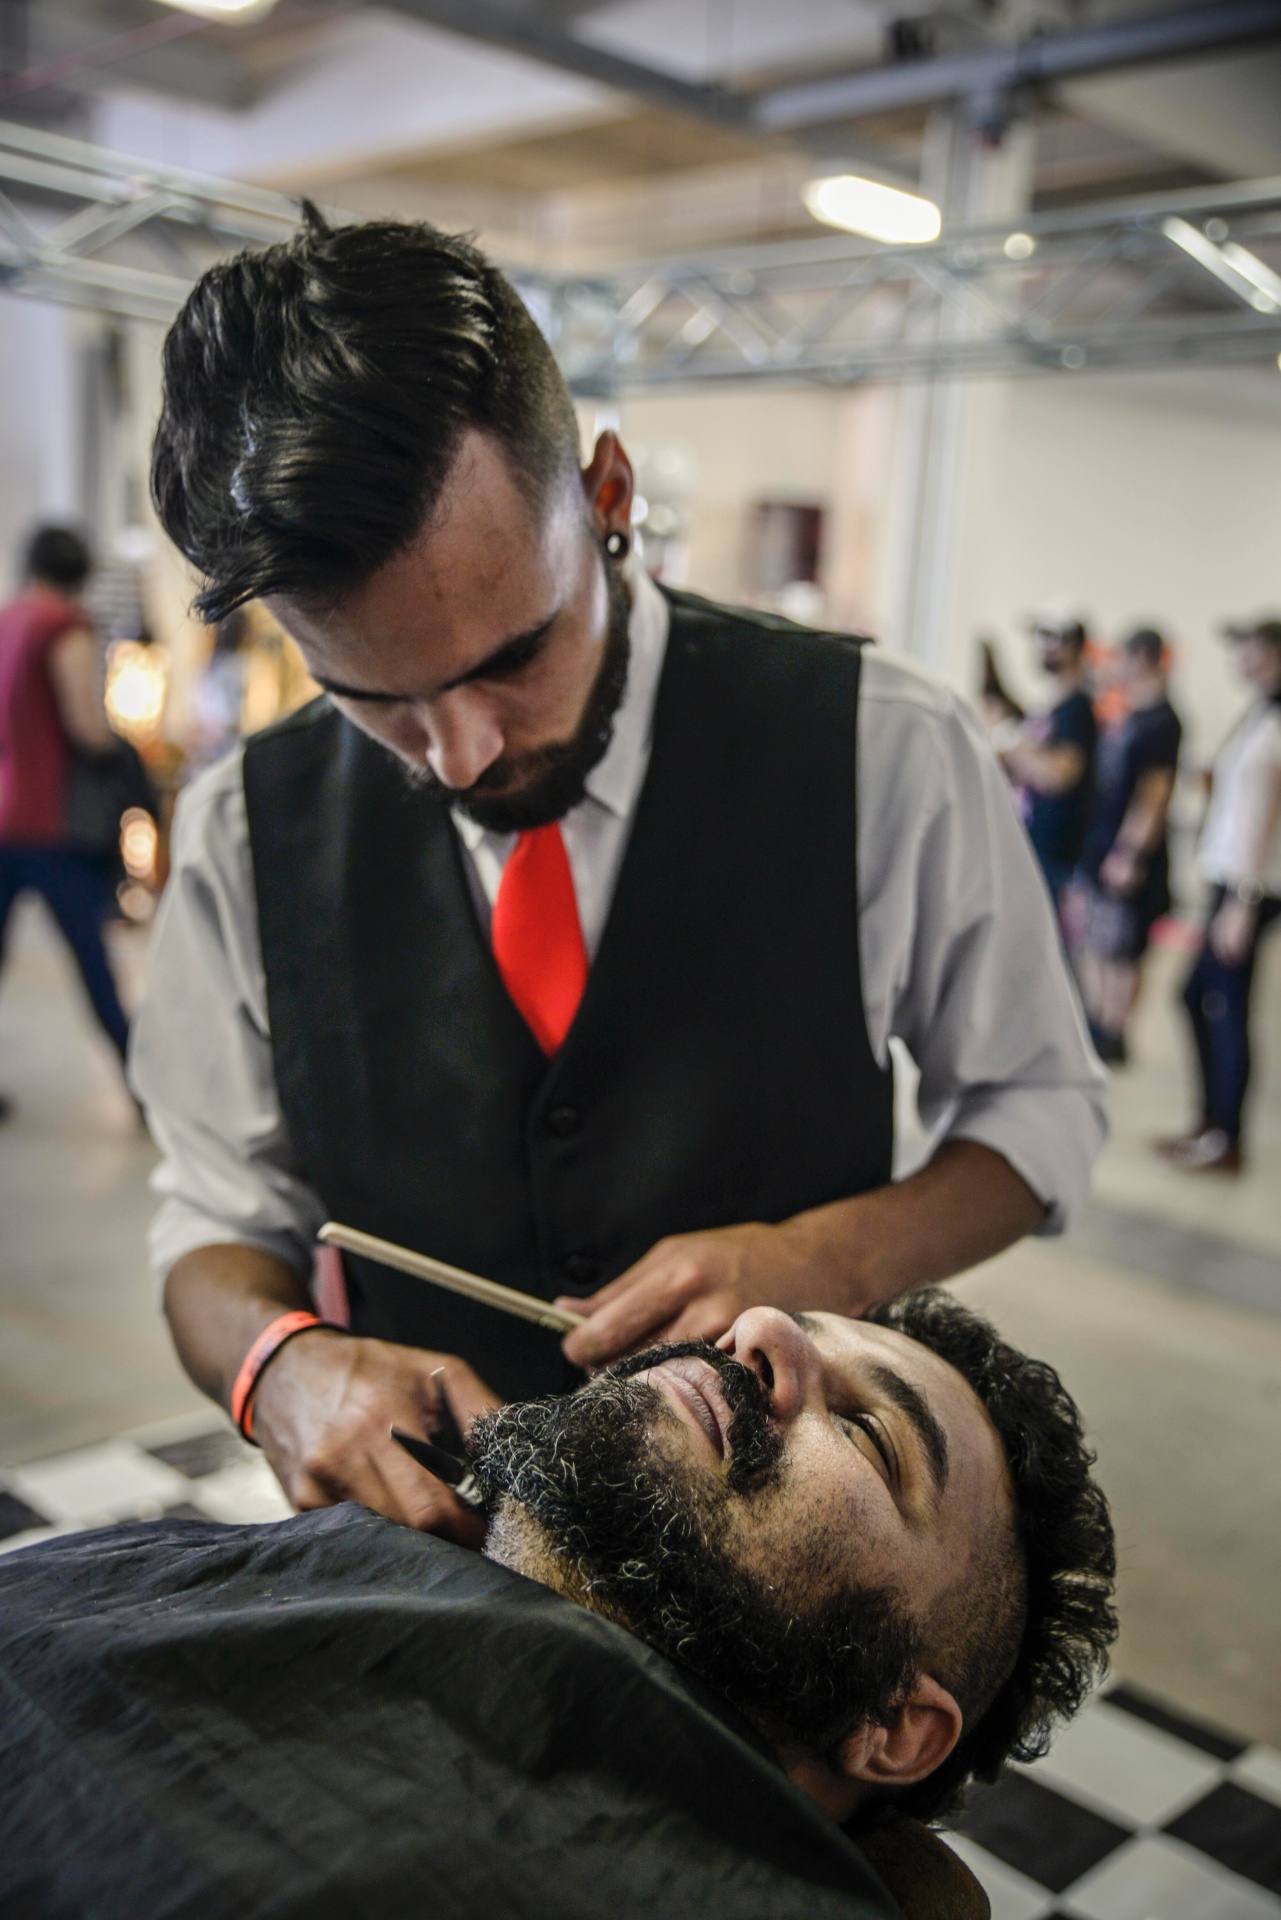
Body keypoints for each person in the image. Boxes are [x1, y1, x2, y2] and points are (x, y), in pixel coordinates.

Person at [132, 211, 1106, 1540]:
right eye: (380, 700)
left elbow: (1039, 1107)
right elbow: (210, 1225)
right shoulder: (248, 829)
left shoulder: (883, 744)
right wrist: (277, 1367)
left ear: (606, 496)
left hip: (779, 1576)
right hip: (438, 1566)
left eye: (511, 656)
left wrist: (824, 1256)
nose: (464, 755)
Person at [0, 1294, 1116, 1920]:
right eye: (796, 1331)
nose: (758, 1326)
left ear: (891, 1725)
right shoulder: (298, 1569)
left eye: (871, 1432)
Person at [0, 525, 133, 1113]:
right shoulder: (65, 627)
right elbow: (84, 722)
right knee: (96, 969)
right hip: (51, 825)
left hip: (2, 816)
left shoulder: (7, 621)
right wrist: (122, 754)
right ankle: (146, 1093)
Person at [1161, 617, 1281, 1173]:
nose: (1243, 659)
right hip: (1229, 879)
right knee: (1194, 997)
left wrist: (1245, 900)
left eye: (1253, 650)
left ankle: (1226, 1137)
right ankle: (1210, 1124)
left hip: (1246, 886)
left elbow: (1268, 817)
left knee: (1226, 1007)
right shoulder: (1257, 715)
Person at [1075, 628, 1182, 1066]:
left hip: (1129, 850)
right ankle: (1103, 1021)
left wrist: (1130, 852)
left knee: (1124, 947)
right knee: (1101, 941)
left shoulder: (1162, 721)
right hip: (1105, 841)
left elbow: (1153, 794)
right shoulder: (1131, 713)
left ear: (1144, 658)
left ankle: (1116, 1030)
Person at [984, 613, 1097, 916]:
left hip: (1057, 855)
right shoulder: (1052, 705)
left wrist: (1008, 741)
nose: (1043, 648)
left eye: (1052, 640)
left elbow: (1059, 774)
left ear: (1074, 646)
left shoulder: (1077, 707)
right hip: (1035, 845)